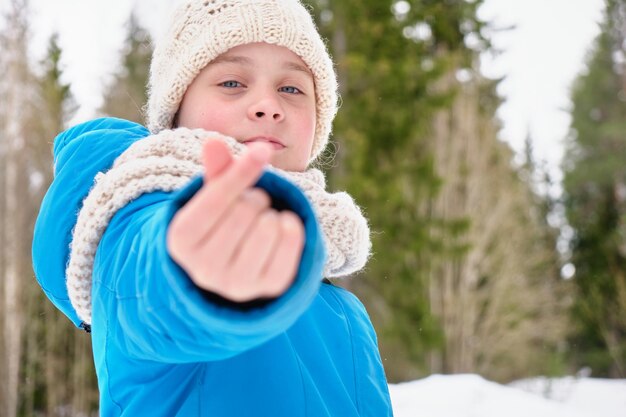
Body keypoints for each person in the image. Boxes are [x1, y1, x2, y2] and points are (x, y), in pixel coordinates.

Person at [32, 0, 393, 415]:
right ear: (176, 114)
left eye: (291, 88)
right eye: (232, 83)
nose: (267, 105)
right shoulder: (139, 225)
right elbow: (150, 297)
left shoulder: (342, 308)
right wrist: (200, 274)